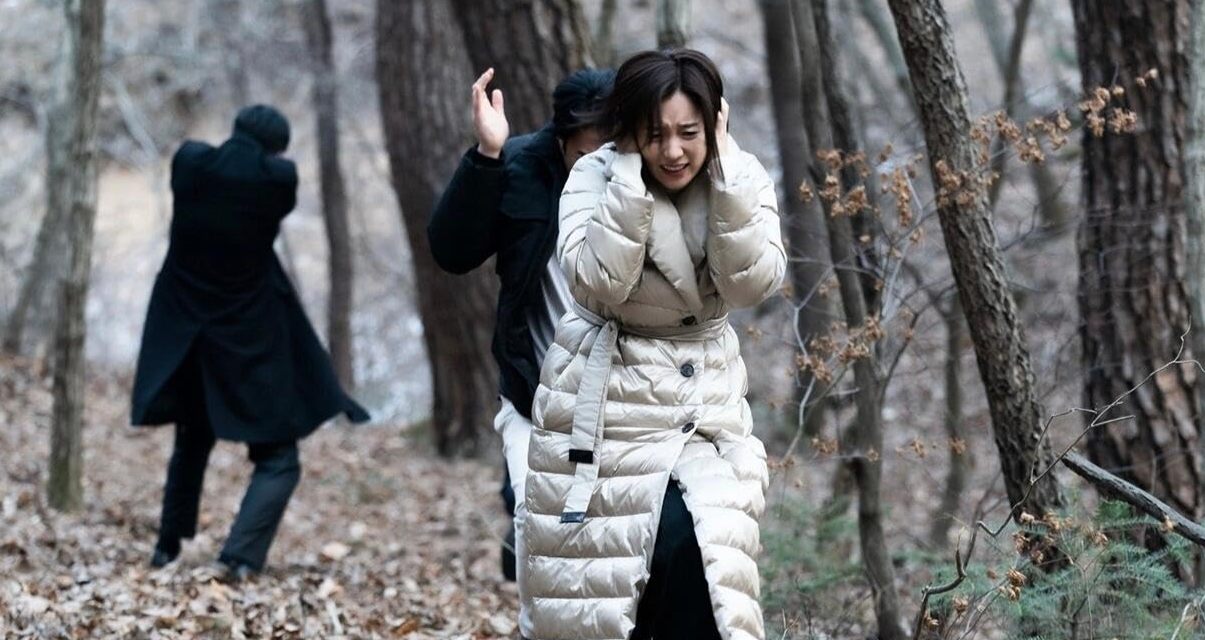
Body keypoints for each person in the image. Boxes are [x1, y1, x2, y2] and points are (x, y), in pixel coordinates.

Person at [523, 49, 786, 640]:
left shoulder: (741, 176)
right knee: (611, 579)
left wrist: (727, 184)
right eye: (655, 134)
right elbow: (598, 280)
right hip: (607, 400)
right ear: (629, 131)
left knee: (703, 557)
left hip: (704, 407)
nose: (672, 151)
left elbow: (752, 283)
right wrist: (627, 183)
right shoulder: (593, 177)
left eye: (688, 133)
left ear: (714, 124)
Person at [130, 105, 370, 581]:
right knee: (279, 458)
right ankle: (239, 557)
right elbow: (275, 177)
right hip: (247, 337)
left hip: (189, 336)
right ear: (275, 150)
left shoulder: (191, 165)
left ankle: (167, 546)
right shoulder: (275, 182)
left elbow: (203, 155)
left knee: (191, 438)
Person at [428, 67, 613, 633]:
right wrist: (487, 154)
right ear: (562, 139)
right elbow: (451, 250)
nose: (601, 163)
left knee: (616, 549)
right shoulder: (520, 167)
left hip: (624, 400)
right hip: (533, 394)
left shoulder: (639, 175)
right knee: (539, 535)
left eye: (612, 149)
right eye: (587, 151)